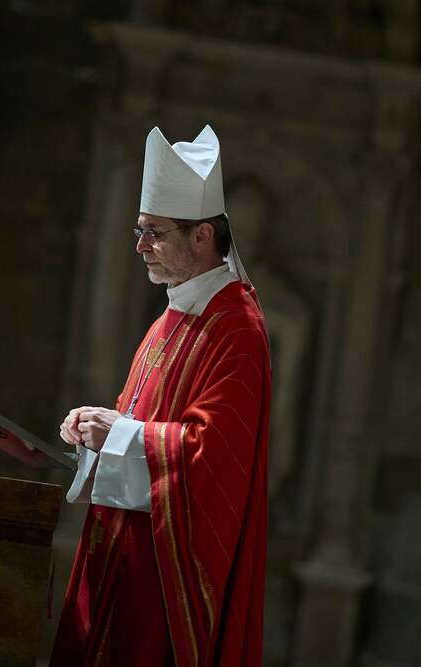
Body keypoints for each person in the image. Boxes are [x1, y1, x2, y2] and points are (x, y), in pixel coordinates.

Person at [49, 125, 271, 666]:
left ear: (202, 236)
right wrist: (94, 432)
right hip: (123, 550)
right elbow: (140, 426)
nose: (140, 245)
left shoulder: (237, 328)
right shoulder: (171, 317)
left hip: (165, 572)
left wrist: (120, 433)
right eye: (139, 230)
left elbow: (214, 456)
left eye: (154, 232)